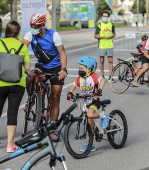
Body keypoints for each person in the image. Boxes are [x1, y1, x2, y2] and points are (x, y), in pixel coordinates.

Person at [22, 13, 67, 141]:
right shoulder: (30, 34)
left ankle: (52, 128)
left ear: (43, 25)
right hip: (41, 66)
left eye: (36, 26)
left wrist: (63, 70)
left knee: (55, 97)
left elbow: (62, 53)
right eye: (31, 25)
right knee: (30, 76)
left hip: (56, 68)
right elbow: (22, 45)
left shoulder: (53, 35)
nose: (33, 28)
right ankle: (31, 98)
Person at [0, 21, 30, 152]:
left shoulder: (0, 43)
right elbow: (27, 67)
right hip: (17, 84)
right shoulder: (22, 46)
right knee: (12, 112)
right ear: (18, 32)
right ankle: (10, 145)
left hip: (1, 82)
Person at [67, 56, 106, 152]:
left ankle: (103, 116)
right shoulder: (80, 78)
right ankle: (91, 145)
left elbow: (103, 80)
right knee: (89, 123)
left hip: (94, 101)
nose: (80, 70)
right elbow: (74, 85)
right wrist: (70, 92)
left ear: (89, 69)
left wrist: (99, 90)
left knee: (90, 115)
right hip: (85, 102)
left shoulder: (93, 76)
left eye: (82, 68)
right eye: (79, 68)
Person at [94, 10, 116, 82]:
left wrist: (111, 36)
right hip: (102, 45)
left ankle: (110, 76)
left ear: (108, 17)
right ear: (102, 16)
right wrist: (103, 37)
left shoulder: (111, 24)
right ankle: (102, 76)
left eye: (106, 16)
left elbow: (114, 34)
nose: (105, 17)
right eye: (104, 16)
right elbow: (95, 35)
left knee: (110, 61)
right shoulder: (99, 25)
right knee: (101, 61)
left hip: (109, 45)